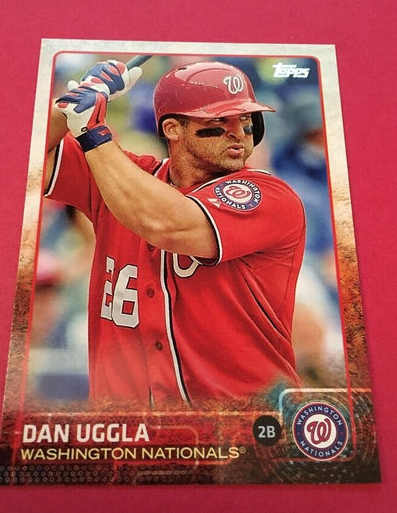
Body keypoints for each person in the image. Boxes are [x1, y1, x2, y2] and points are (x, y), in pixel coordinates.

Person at [44, 59, 306, 409]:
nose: (239, 132)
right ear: (172, 129)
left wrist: (92, 133)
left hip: (244, 428)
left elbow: (163, 222)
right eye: (219, 121)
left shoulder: (271, 197)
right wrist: (69, 106)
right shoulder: (120, 177)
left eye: (245, 119)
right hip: (128, 431)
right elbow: (16, 154)